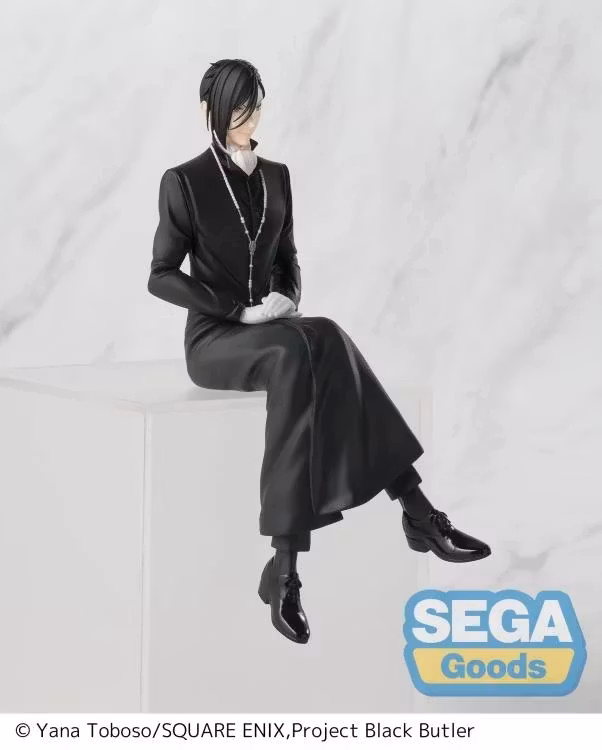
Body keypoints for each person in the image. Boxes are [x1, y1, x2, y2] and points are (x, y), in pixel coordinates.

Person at [147, 58, 491, 645]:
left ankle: (405, 515)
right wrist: (235, 310)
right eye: (234, 109)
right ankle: (300, 561)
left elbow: (288, 258)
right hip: (215, 338)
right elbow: (160, 275)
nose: (246, 119)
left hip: (273, 325)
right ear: (209, 111)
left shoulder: (276, 176)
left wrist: (286, 295)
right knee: (293, 356)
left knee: (324, 332)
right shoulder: (183, 181)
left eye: (253, 106)